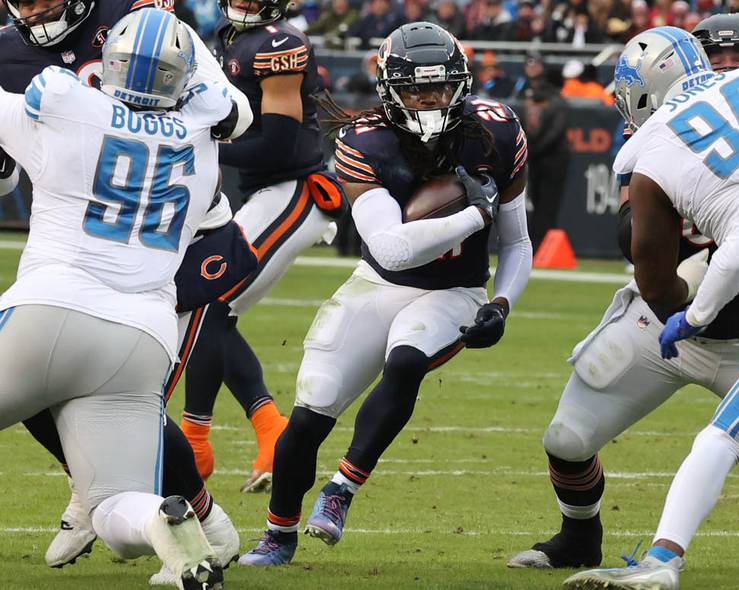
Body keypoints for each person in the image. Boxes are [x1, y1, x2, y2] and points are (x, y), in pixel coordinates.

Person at [507, 16, 739, 575]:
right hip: (670, 317)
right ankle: (578, 538)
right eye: (721, 61)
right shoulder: (661, 138)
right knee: (568, 437)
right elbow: (638, 250)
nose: (731, 71)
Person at [238, 21, 532, 567]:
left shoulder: (495, 132)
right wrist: (474, 212)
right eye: (416, 89)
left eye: (440, 87)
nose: (429, 100)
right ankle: (278, 535)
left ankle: (341, 491)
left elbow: (517, 242)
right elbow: (394, 250)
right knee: (311, 409)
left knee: (406, 359)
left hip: (455, 291)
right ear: (389, 90)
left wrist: (501, 303)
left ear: (461, 85)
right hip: (380, 283)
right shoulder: (363, 138)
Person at [0, 0, 252, 577]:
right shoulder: (202, 144)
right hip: (141, 338)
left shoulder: (66, 109)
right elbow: (229, 112)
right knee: (116, 507)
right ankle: (165, 523)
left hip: (49, 310)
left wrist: (50, 92)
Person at [180, 0, 348, 494]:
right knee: (207, 306)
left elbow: (276, 143)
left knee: (208, 301)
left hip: (295, 190)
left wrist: (200, 144)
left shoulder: (279, 43)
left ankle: (195, 435)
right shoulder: (227, 38)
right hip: (262, 192)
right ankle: (272, 429)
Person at [523, 83, 569, 246]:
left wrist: (533, 150)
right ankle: (536, 243)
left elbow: (554, 134)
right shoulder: (532, 109)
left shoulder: (555, 108)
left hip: (549, 161)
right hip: (538, 161)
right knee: (538, 203)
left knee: (546, 205)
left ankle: (541, 244)